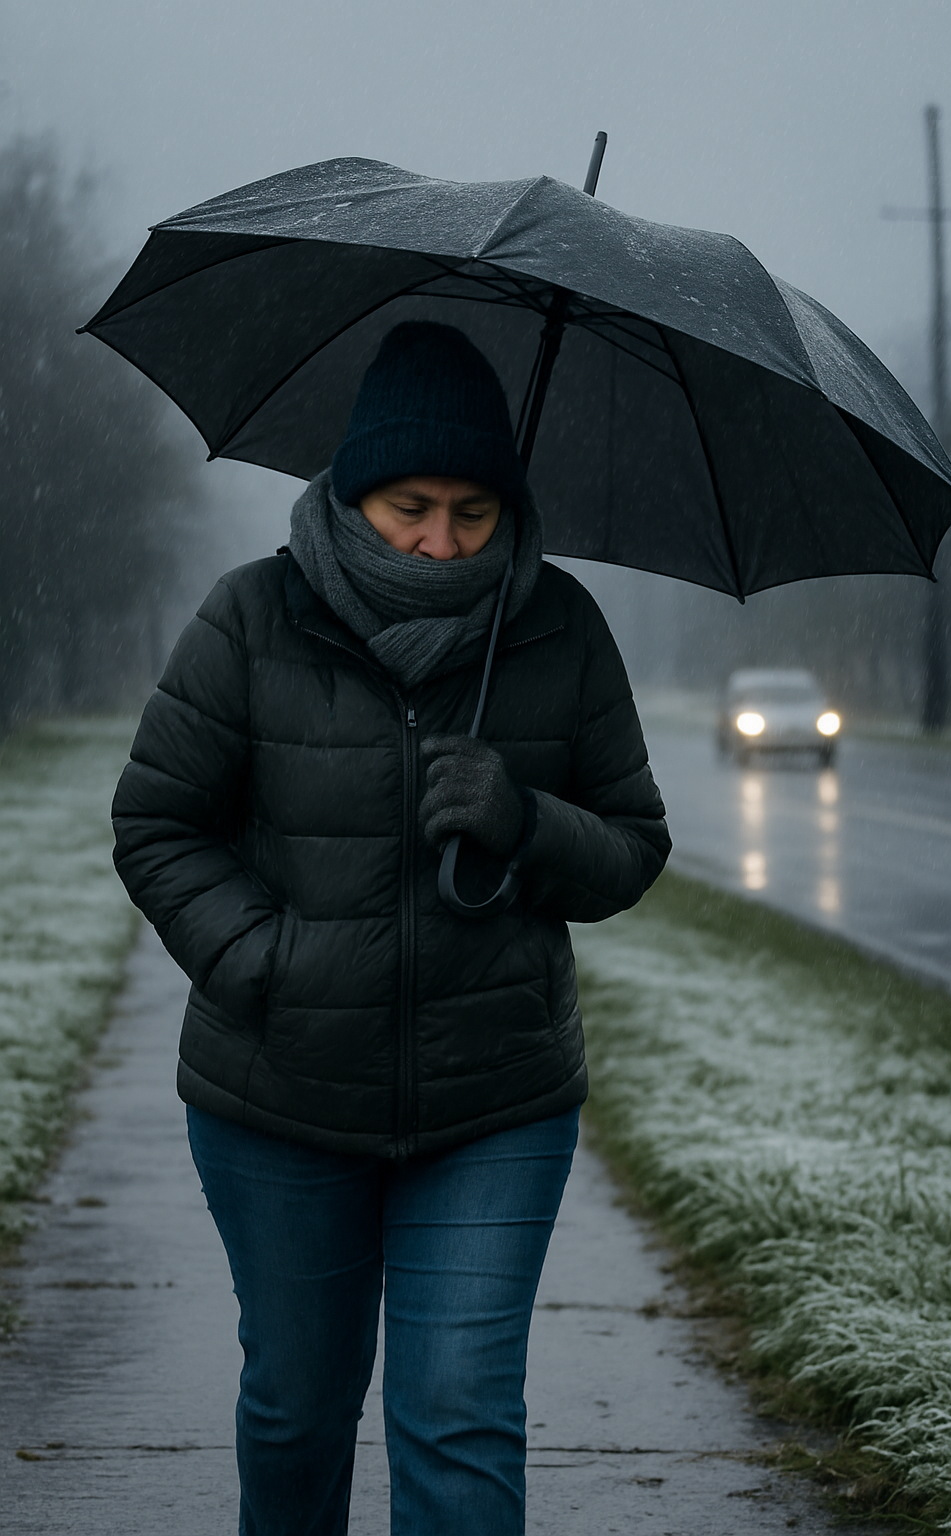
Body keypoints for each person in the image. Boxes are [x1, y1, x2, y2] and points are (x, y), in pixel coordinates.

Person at [111, 321, 671, 1536]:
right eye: (411, 505)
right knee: (297, 1411)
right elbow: (158, 824)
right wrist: (262, 961)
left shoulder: (557, 627)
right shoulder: (253, 617)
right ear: (353, 492)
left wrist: (526, 822)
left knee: (460, 1411)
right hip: (278, 1094)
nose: (441, 539)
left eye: (474, 513)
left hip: (496, 1101)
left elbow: (631, 844)